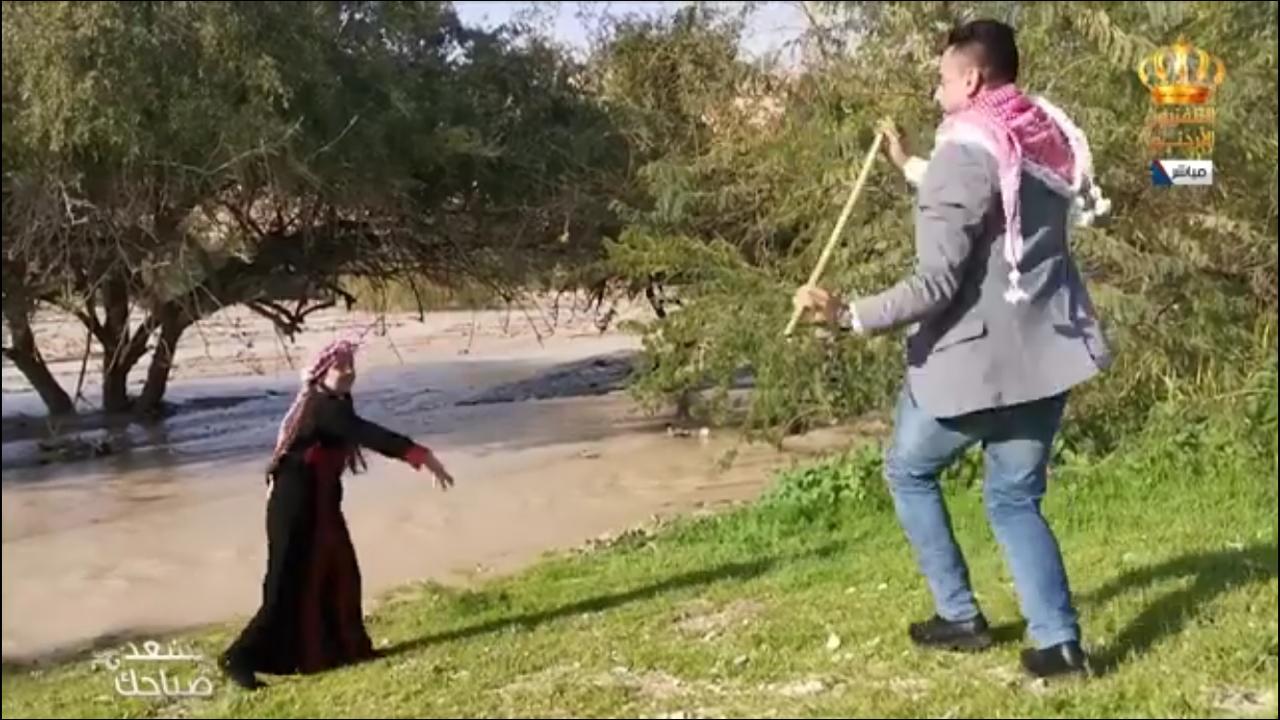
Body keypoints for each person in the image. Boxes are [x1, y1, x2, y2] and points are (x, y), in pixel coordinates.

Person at [792, 19, 1111, 679]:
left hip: (973, 369)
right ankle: (1060, 646)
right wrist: (911, 165)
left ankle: (959, 615)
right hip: (1046, 360)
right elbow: (989, 199)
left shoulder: (968, 151)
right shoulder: (1037, 133)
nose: (936, 93)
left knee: (907, 471)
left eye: (942, 80)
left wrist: (847, 315)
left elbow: (934, 283)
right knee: (1015, 500)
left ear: (970, 79)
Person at [220, 338, 455, 690]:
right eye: (339, 366)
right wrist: (421, 455)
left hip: (321, 504)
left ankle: (343, 650)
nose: (348, 372)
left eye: (351, 366)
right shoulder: (323, 407)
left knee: (341, 575)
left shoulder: (335, 403)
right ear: (321, 373)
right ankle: (238, 658)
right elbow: (367, 434)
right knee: (284, 584)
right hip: (296, 508)